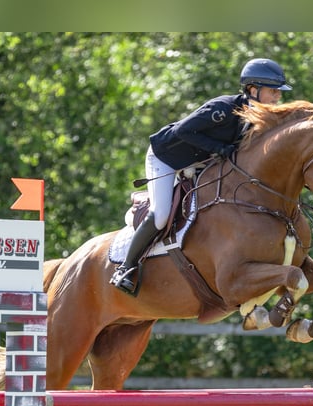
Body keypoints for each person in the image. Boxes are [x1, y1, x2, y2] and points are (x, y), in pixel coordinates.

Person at [110, 57, 292, 295]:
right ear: (253, 90)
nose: (278, 96)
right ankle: (125, 268)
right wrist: (220, 148)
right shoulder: (223, 109)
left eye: (278, 92)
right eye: (273, 91)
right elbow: (182, 130)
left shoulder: (259, 119)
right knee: (161, 215)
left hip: (200, 163)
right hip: (166, 157)